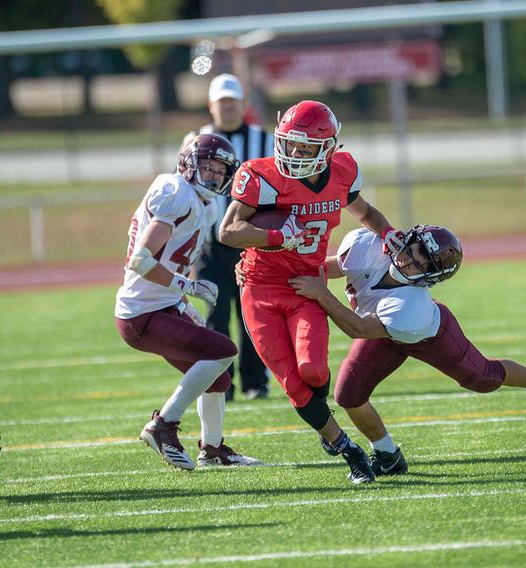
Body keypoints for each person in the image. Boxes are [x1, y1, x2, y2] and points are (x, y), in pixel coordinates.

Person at [218, 100, 407, 484]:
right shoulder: (261, 176)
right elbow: (227, 231)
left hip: (306, 284)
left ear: (328, 149)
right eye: (290, 144)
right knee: (292, 381)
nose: (295, 154)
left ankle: (323, 419)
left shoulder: (342, 172)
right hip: (259, 287)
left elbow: (366, 212)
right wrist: (276, 236)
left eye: (305, 149)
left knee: (314, 371)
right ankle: (348, 450)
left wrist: (389, 235)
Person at [286, 225, 526, 475]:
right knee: (348, 395)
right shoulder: (369, 246)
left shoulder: (412, 305)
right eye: (413, 250)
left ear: (430, 277)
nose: (410, 260)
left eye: (422, 263)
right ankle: (387, 455)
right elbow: (336, 266)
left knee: (482, 378)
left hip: (426, 334)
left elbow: (358, 329)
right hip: (378, 327)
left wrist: (321, 293)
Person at [120, 133, 260, 470]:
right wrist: (189, 286)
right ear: (188, 164)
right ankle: (163, 425)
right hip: (142, 312)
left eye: (219, 170)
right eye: (207, 167)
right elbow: (141, 260)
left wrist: (182, 298)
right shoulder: (176, 192)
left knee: (219, 379)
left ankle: (212, 450)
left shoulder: (206, 204)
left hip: (165, 304)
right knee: (224, 350)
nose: (213, 175)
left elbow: (171, 258)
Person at [186, 73, 273, 401]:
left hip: (251, 244)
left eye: (232, 102)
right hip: (210, 248)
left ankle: (255, 382)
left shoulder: (264, 141)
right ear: (211, 106)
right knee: (215, 318)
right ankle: (221, 384)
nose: (227, 108)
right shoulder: (196, 140)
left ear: (243, 104)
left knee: (253, 318)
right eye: (222, 103)